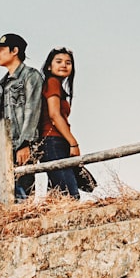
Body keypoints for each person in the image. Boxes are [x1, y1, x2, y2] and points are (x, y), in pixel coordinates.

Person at [0, 33, 45, 201]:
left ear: (15, 50)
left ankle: (25, 224)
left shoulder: (31, 76)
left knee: (23, 192)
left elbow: (32, 110)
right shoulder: (2, 84)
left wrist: (26, 143)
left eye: (1, 49)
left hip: (21, 145)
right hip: (0, 147)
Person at [36, 47, 81, 199]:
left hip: (55, 142)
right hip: (53, 142)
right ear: (49, 66)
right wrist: (73, 143)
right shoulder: (52, 82)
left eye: (68, 62)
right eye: (59, 61)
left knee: (56, 197)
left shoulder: (56, 85)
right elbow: (54, 115)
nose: (64, 65)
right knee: (70, 195)